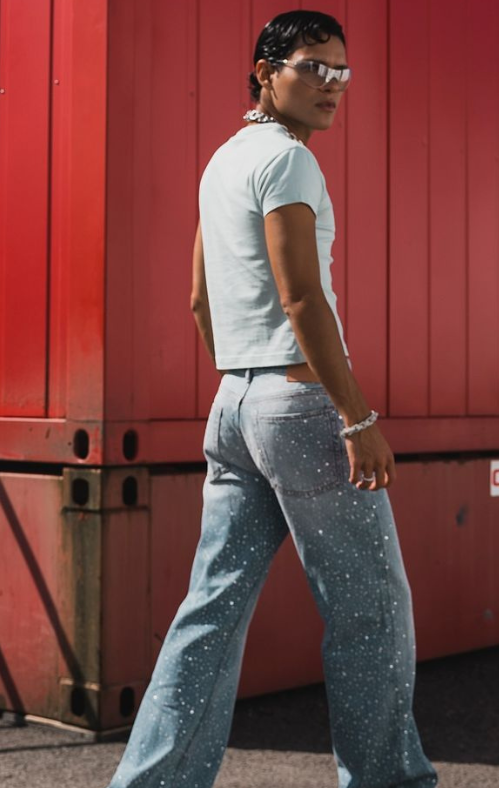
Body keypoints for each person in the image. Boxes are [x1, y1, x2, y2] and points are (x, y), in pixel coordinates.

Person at [106, 10, 438, 788]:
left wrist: (245, 385)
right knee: (371, 612)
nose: (331, 85)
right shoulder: (288, 162)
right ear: (265, 72)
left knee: (211, 612)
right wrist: (356, 417)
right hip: (301, 406)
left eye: (341, 72)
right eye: (312, 67)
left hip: (234, 404)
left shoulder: (222, 162)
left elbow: (198, 299)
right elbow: (302, 298)